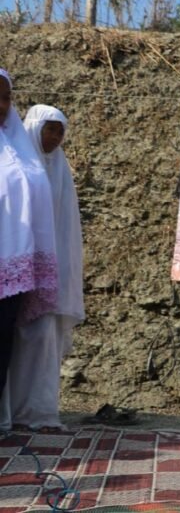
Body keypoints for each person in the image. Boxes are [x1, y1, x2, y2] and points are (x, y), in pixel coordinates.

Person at [0, 105, 84, 433]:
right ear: (33, 128)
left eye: (60, 130)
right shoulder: (19, 167)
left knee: (42, 341)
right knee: (13, 342)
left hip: (48, 275)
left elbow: (66, 230)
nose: (55, 136)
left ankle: (39, 412)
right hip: (15, 268)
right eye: (50, 129)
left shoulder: (58, 170)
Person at [0, 69, 58, 422]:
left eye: (6, 97)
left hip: (12, 269)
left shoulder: (18, 147)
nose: (2, 105)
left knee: (2, 344)